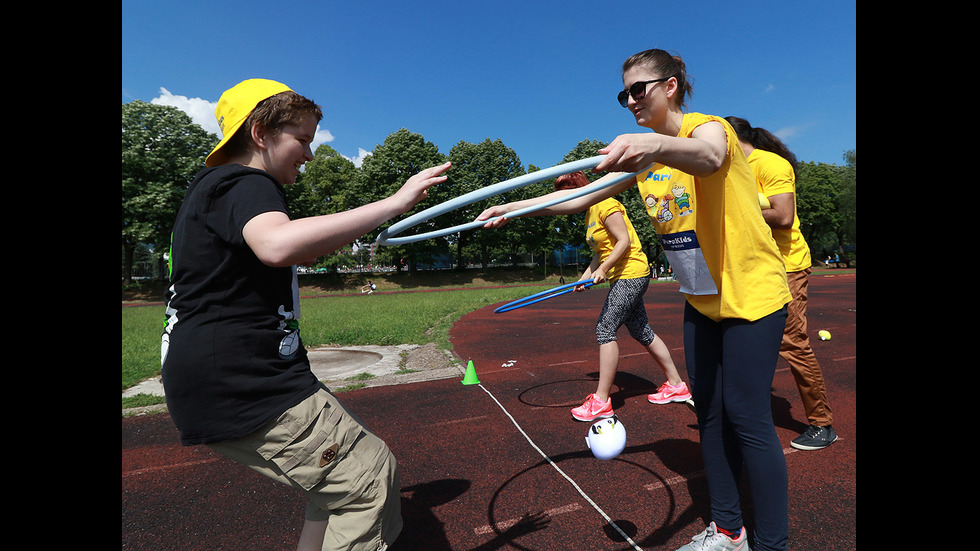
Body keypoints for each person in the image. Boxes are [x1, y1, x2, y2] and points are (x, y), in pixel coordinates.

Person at [478, 49, 792, 551]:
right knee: (709, 413)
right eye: (622, 93)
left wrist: (652, 142)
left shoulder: (709, 130)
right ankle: (728, 531)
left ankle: (772, 543)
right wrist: (511, 208)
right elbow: (578, 197)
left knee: (747, 417)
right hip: (703, 301)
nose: (628, 100)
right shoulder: (647, 163)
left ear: (670, 87)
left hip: (753, 296)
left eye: (637, 89)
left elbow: (710, 158)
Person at [160, 78, 451, 551]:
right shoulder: (246, 182)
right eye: (302, 140)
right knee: (369, 482)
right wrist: (395, 203)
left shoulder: (216, 190)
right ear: (260, 133)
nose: (310, 155)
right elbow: (278, 244)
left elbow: (291, 250)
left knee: (338, 490)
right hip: (244, 380)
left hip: (223, 378)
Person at [725, 116, 837, 451]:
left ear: (728, 137)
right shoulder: (731, 169)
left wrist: (737, 210)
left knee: (792, 341)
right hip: (753, 266)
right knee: (743, 337)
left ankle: (822, 424)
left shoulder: (770, 163)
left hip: (787, 266)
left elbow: (784, 216)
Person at [554, 171, 690, 422]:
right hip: (622, 276)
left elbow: (623, 241)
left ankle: (602, 401)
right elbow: (599, 253)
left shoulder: (606, 203)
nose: (564, 200)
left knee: (605, 329)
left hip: (631, 273)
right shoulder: (589, 214)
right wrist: (585, 277)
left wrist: (604, 270)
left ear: (579, 188)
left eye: (566, 193)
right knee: (641, 330)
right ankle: (676, 385)